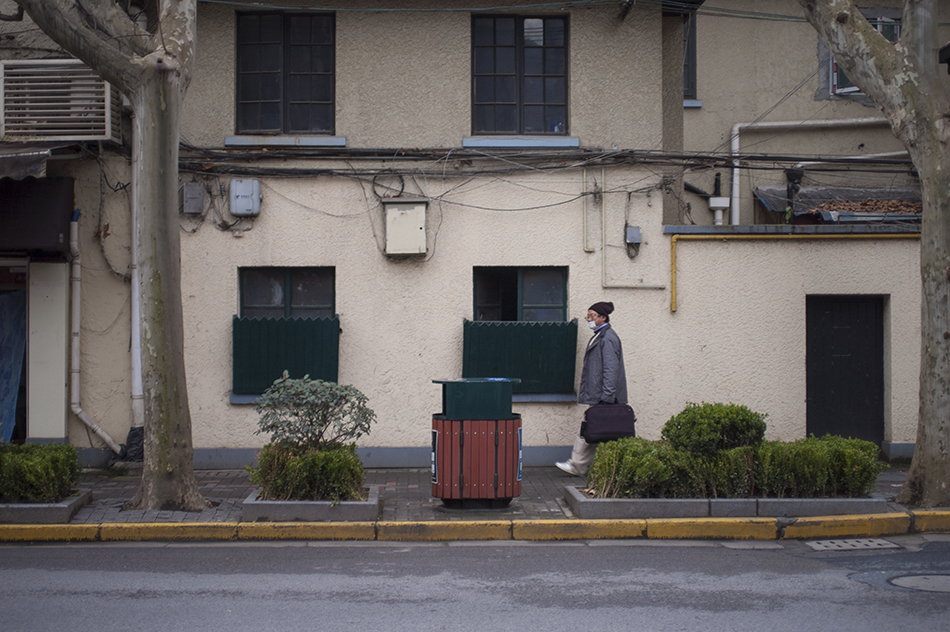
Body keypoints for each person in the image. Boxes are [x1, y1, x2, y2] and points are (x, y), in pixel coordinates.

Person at [556, 301, 628, 477]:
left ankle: (578, 465)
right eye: (588, 316)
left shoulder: (608, 337)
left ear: (603, 317)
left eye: (592, 316)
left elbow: (611, 369)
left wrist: (607, 397)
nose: (589, 319)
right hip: (602, 395)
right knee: (598, 430)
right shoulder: (600, 336)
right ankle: (580, 465)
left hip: (605, 397)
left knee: (594, 429)